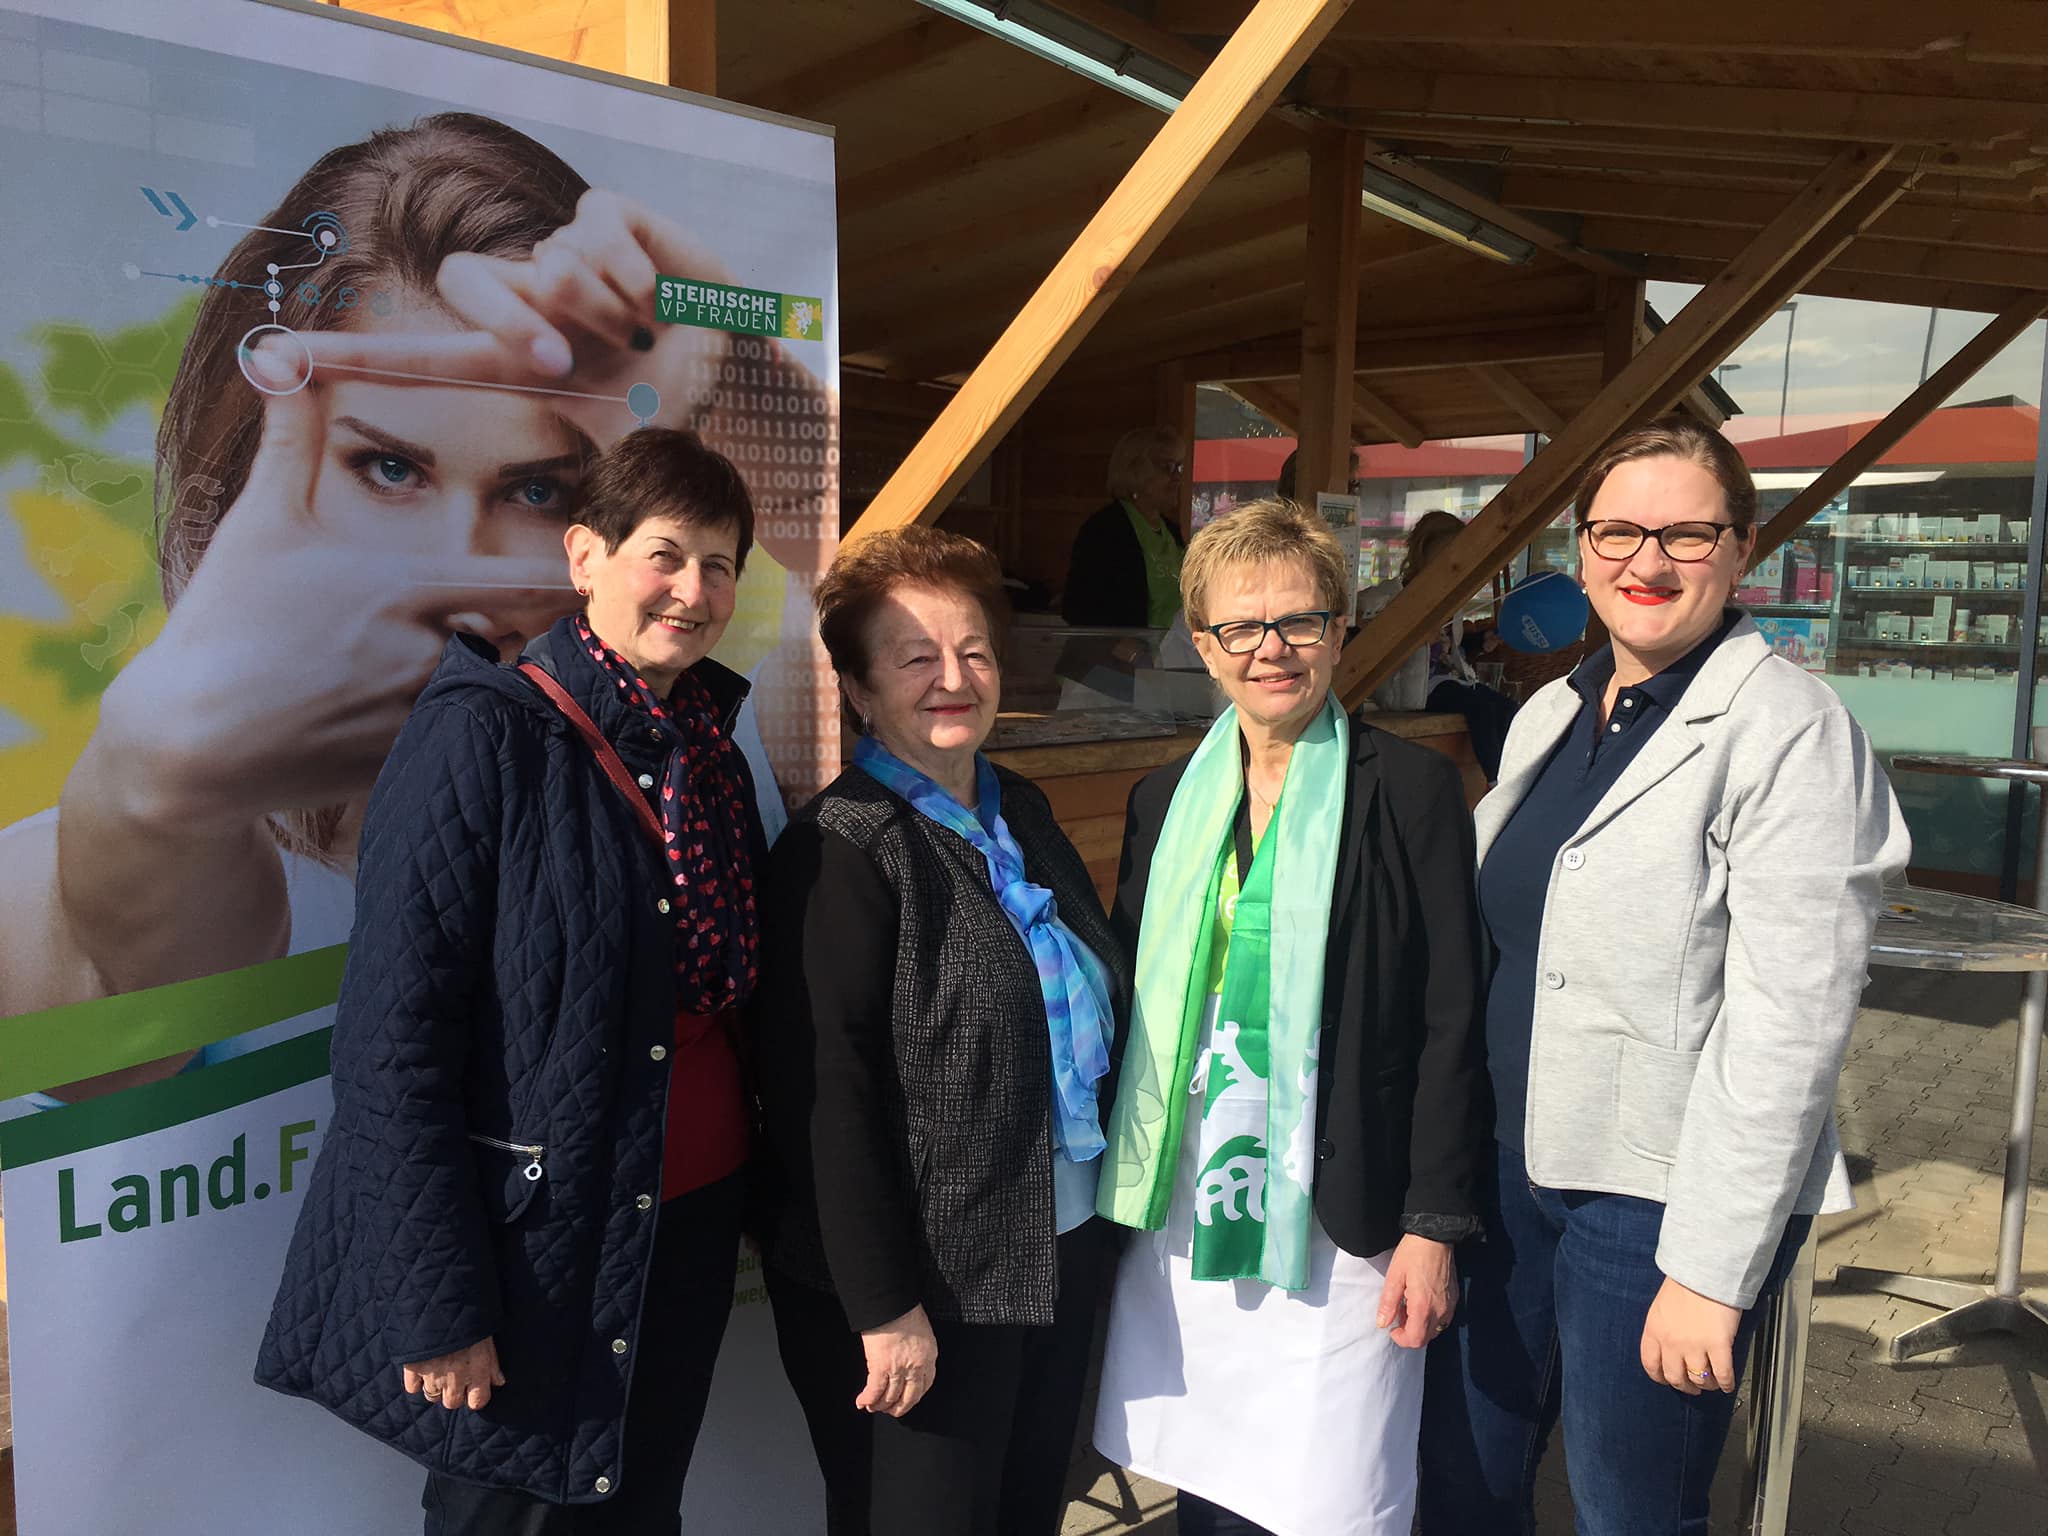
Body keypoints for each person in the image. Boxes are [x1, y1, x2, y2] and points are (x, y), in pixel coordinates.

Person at [0, 111, 830, 1080]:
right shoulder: (115, 849)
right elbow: (103, 997)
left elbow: (854, 636)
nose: (457, 567)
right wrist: (152, 791)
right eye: (389, 469)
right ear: (231, 490)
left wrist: (752, 403)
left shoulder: (701, 772)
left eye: (536, 490)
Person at [255, 427, 769, 1531]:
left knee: (639, 1510)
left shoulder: (710, 756)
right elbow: (393, 1045)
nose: (693, 591)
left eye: (720, 565)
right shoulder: (484, 737)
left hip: (683, 1221)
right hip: (535, 1246)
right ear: (585, 556)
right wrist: (437, 1300)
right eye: (665, 555)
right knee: (510, 1515)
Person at [1418, 416, 1910, 1533]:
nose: (1647, 562)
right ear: (1581, 549)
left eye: (1686, 534)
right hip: (1505, 1168)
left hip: (1656, 1205)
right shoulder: (1553, 712)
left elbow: (1790, 1026)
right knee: (1462, 1481)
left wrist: (1709, 1270)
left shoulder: (1789, 733)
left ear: (1741, 550)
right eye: (1618, 532)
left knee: (1628, 1510)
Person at [1091, 498, 1489, 1536]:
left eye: (1298, 621)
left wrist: (1433, 1226)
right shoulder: (1161, 800)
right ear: (1202, 645)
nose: (1270, 649)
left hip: (1343, 1212)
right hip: (1190, 1196)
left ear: (1338, 631)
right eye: (1240, 627)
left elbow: (1454, 1014)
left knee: (1331, 1494)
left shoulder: (1409, 791)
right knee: (1207, 1482)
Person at [753, 526, 1130, 1536]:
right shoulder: (840, 851)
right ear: (859, 689)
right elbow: (825, 1105)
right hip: (924, 1292)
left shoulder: (1024, 812)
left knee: (1025, 1515)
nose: (953, 679)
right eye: (916, 657)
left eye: (973, 652)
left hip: (1055, 1250)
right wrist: (883, 1309)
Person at [1354, 510, 1517, 779]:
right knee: (1480, 708)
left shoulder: (1449, 598)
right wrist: (1414, 637)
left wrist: (1479, 643)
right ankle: (1493, 781)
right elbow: (1355, 617)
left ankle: (1512, 777)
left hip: (1444, 679)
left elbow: (1451, 648)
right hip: (1413, 689)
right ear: (1423, 553)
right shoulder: (1391, 594)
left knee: (1506, 708)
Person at [1060, 426, 1186, 627]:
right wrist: (1125, 645)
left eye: (1179, 468)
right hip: (1126, 647)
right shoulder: (1105, 530)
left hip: (1172, 646)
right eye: (1168, 467)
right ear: (1136, 470)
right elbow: (1078, 607)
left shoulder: (1171, 531)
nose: (1177, 477)